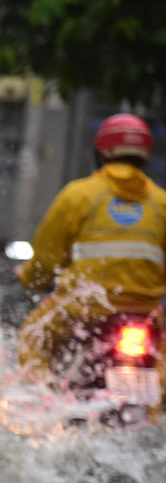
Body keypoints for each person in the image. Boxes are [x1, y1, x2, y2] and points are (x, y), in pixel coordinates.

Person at [15, 113, 166, 388]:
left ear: (101, 152)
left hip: (84, 308)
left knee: (32, 340)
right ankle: (154, 415)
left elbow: (46, 261)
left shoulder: (78, 195)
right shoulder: (161, 202)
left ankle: (42, 404)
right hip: (144, 312)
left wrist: (30, 279)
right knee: (159, 368)